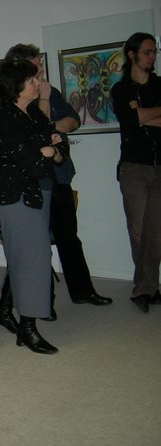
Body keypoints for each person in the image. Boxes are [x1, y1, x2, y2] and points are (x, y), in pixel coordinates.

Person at [0, 44, 113, 328]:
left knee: (67, 237)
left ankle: (81, 291)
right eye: (35, 67)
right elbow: (40, 138)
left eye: (40, 66)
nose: (40, 72)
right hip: (30, 186)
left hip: (56, 178)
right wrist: (48, 119)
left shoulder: (47, 92)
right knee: (32, 250)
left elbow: (71, 121)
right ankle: (31, 306)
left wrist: (54, 136)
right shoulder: (17, 106)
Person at [0, 60, 66, 354]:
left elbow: (60, 150)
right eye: (32, 79)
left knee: (26, 258)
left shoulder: (34, 113)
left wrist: (51, 151)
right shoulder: (7, 119)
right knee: (34, 260)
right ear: (17, 86)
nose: (38, 83)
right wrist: (47, 150)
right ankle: (27, 328)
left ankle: (3, 311)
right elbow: (34, 164)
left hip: (40, 193)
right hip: (18, 198)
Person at [111, 32, 161, 313]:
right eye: (147, 52)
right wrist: (141, 114)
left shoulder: (159, 85)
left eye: (154, 52)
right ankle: (143, 286)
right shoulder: (121, 90)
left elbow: (138, 118)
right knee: (138, 231)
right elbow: (130, 121)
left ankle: (148, 287)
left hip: (160, 166)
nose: (152, 57)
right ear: (132, 54)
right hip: (133, 168)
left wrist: (142, 113)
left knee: (156, 232)